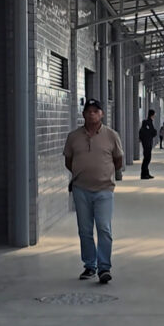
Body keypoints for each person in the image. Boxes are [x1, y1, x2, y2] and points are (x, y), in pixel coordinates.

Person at [63, 99, 123, 284]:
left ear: (102, 114)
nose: (92, 114)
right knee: (85, 230)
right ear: (83, 114)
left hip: (104, 189)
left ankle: (104, 267)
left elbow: (118, 160)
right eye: (88, 111)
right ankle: (90, 266)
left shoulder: (111, 135)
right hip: (81, 190)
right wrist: (82, 175)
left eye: (96, 111)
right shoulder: (74, 137)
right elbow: (69, 161)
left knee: (104, 228)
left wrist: (106, 174)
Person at [139, 109, 157, 179]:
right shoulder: (148, 122)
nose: (155, 116)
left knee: (147, 158)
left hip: (147, 142)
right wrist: (154, 132)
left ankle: (146, 173)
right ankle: (143, 174)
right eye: (154, 114)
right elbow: (152, 132)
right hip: (147, 142)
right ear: (152, 115)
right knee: (147, 158)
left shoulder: (148, 122)